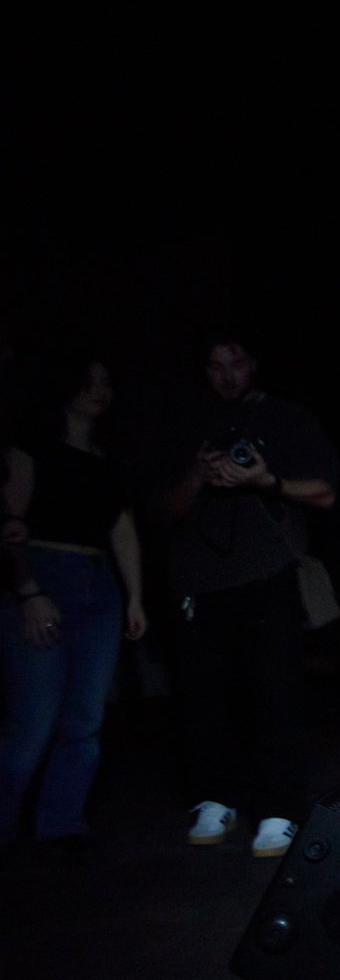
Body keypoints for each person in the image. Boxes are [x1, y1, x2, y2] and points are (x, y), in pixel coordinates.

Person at [155, 333, 338, 857]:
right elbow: (160, 510)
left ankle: (280, 809)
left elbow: (326, 492)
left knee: (275, 694)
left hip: (268, 576)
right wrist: (197, 473)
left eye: (235, 363)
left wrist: (263, 479)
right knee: (203, 698)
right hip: (198, 582)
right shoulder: (183, 422)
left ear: (252, 364)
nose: (227, 375)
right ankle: (214, 798)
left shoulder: (287, 417)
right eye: (215, 366)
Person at [0, 353, 149, 852]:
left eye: (106, 382)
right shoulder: (32, 450)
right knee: (33, 719)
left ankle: (61, 823)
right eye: (90, 381)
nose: (99, 390)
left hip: (97, 582)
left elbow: (122, 531)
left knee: (84, 719)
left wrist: (135, 599)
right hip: (45, 575)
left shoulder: (110, 459)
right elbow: (9, 527)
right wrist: (28, 591)